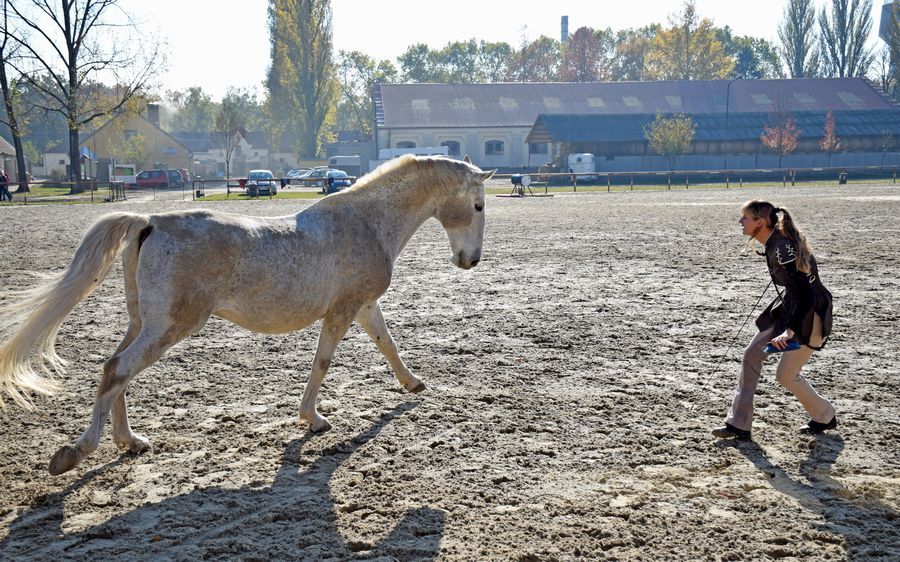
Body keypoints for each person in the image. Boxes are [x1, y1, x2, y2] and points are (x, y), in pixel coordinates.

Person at [713, 199, 837, 441]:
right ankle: (739, 424)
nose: (741, 222)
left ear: (760, 223)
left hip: (809, 313)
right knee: (751, 355)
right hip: (791, 308)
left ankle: (824, 415)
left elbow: (807, 293)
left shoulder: (781, 247)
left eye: (745, 218)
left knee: (786, 376)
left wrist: (790, 331)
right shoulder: (773, 243)